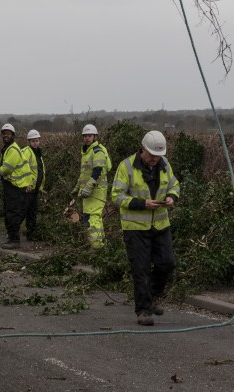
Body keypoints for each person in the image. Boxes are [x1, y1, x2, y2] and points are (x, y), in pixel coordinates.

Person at [111, 130, 181, 326]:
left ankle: (152, 297)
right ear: (143, 149)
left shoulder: (164, 164)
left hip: (160, 224)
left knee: (167, 263)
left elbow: (175, 185)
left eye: (158, 156)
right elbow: (116, 195)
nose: (154, 160)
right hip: (135, 227)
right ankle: (143, 310)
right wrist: (142, 204)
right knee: (141, 269)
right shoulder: (126, 167)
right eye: (151, 155)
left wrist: (171, 197)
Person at [0, 123, 34, 249]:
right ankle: (11, 237)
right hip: (11, 185)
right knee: (9, 212)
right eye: (3, 133)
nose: (5, 135)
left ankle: (14, 240)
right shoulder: (8, 148)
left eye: (8, 133)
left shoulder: (13, 149)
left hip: (16, 186)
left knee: (13, 213)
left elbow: (7, 169)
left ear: (13, 135)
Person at [74, 123, 112, 249]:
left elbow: (98, 170)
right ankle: (99, 245)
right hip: (89, 193)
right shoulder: (87, 152)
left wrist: (89, 187)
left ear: (95, 137)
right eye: (85, 136)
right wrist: (77, 187)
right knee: (94, 218)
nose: (87, 138)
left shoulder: (97, 151)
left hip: (96, 192)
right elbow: (84, 174)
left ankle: (95, 247)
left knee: (92, 219)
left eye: (89, 136)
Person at [21, 129, 46, 243]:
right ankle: (12, 234)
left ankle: (30, 234)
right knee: (23, 211)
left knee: (32, 212)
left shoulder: (38, 153)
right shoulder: (27, 151)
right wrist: (28, 184)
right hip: (28, 188)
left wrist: (40, 187)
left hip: (35, 189)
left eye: (37, 140)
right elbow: (24, 169)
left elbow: (40, 171)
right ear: (29, 142)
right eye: (33, 141)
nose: (36, 143)